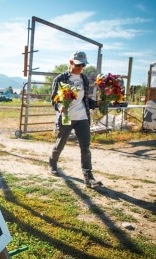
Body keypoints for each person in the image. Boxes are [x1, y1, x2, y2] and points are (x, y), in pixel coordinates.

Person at [48, 51, 102, 188]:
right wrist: (60, 106)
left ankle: (88, 177)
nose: (81, 67)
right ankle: (52, 162)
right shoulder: (60, 79)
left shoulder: (84, 79)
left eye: (83, 65)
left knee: (85, 146)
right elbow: (54, 100)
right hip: (67, 117)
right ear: (71, 62)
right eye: (78, 64)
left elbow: (84, 99)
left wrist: (99, 103)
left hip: (82, 117)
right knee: (61, 143)